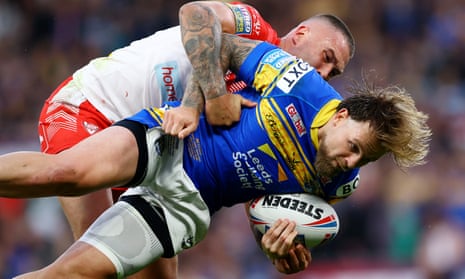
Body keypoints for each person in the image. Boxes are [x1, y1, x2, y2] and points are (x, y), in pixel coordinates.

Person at [0, 32, 431, 278]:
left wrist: (278, 249)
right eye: (355, 148)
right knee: (67, 172)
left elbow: (264, 208)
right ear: (339, 116)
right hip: (170, 141)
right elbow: (221, 45)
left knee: (71, 276)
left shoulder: (340, 183)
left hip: (183, 207)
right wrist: (194, 102)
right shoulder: (299, 82)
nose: (353, 163)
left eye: (365, 161)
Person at [36, 1, 355, 277]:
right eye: (326, 57)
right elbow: (195, 12)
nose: (324, 73)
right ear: (300, 34)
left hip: (145, 152)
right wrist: (214, 95)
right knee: (93, 267)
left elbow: (246, 176)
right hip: (90, 108)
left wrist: (273, 242)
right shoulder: (255, 30)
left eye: (334, 72)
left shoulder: (278, 105)